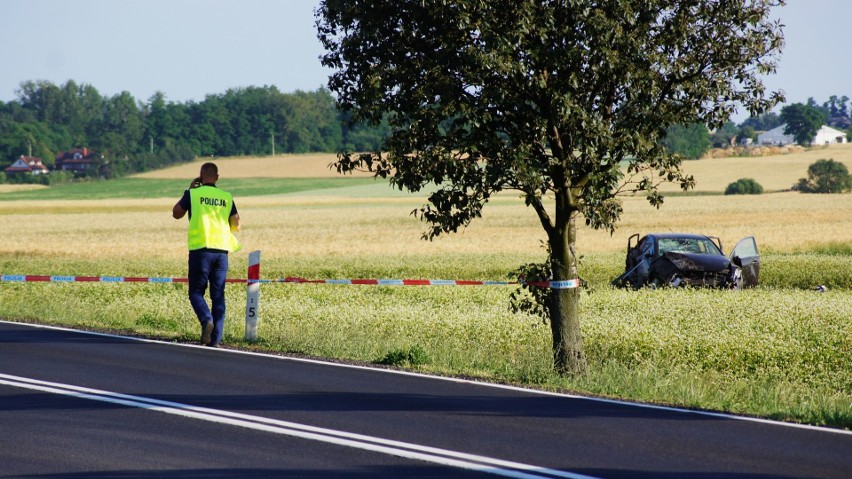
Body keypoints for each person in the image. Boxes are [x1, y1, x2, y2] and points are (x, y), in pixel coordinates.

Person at [172, 162, 241, 347]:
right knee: (218, 295)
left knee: (195, 292)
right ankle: (215, 340)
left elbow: (176, 214)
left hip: (200, 250)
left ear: (200, 175)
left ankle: (205, 320)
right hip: (221, 252)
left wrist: (188, 190)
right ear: (217, 177)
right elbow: (236, 224)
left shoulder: (193, 194)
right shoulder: (226, 197)